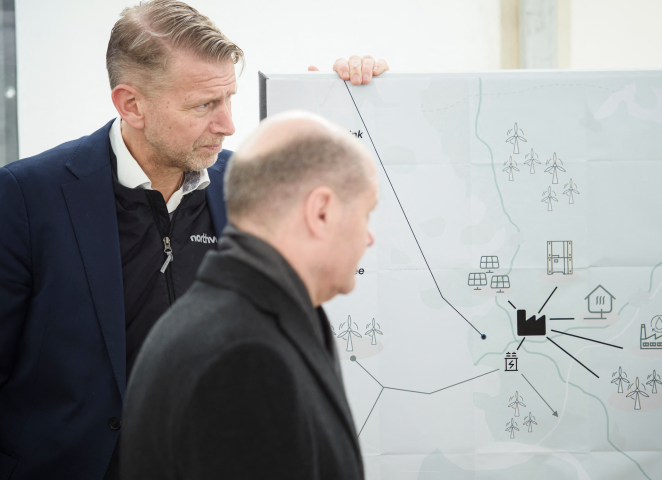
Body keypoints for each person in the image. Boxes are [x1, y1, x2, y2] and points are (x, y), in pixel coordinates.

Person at [0, 1, 388, 479]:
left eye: (229, 98)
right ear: (131, 105)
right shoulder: (25, 198)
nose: (227, 124)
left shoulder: (245, 184)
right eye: (205, 104)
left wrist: (348, 99)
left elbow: (333, 205)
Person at [121, 110, 377, 479]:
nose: (369, 237)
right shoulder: (245, 358)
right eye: (366, 213)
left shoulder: (237, 317)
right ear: (320, 212)